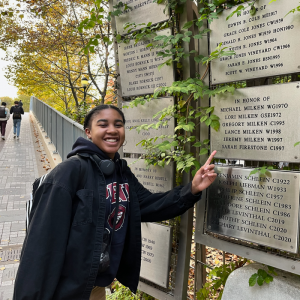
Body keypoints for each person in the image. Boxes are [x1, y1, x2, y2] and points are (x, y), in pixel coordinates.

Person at [13, 105, 217, 300]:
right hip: (63, 289)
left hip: (94, 287)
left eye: (118, 125)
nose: (112, 130)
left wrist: (192, 189)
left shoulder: (121, 172)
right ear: (88, 132)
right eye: (103, 124)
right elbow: (41, 245)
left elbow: (148, 205)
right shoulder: (69, 172)